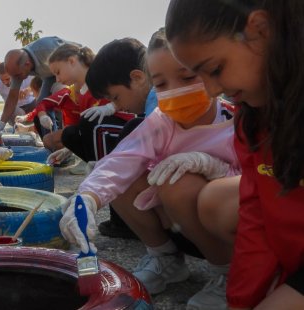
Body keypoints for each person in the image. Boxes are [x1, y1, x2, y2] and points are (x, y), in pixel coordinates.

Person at [59, 27, 240, 309]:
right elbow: (122, 160)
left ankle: (227, 274)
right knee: (125, 176)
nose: (175, 90)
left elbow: (257, 187)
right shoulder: (162, 120)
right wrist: (88, 197)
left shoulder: (237, 121)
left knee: (176, 182)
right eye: (161, 84)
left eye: (188, 77)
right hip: (175, 226)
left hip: (225, 235)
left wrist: (213, 167)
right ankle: (165, 258)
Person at [166, 0, 304, 308]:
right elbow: (257, 216)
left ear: (261, 29)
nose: (212, 90)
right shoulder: (252, 117)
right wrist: (240, 302)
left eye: (215, 69)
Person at [56, 38, 158, 239]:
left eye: (116, 98)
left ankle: (126, 225)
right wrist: (90, 193)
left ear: (138, 78)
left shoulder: (156, 109)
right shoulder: (151, 106)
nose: (117, 105)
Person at [0, 36, 73, 141]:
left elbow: (76, 61)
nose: (16, 80)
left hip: (72, 70)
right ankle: (50, 141)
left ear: (27, 65)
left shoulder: (47, 50)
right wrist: (0, 125)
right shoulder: (18, 69)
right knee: (41, 106)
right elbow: (12, 97)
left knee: (61, 93)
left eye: (18, 76)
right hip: (49, 76)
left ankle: (67, 136)